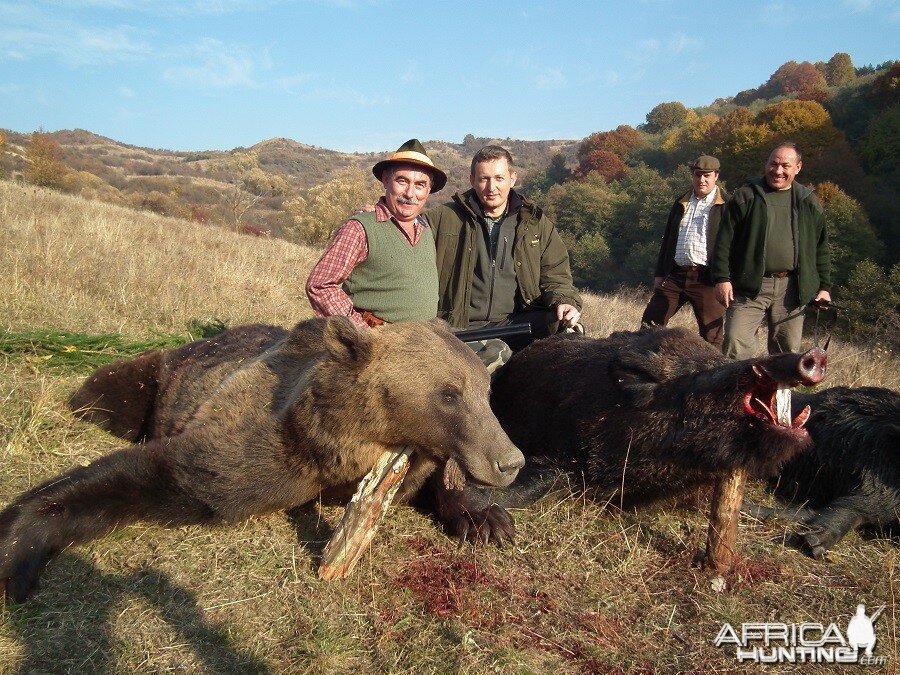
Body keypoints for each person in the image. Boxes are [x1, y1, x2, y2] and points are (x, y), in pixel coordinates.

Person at [426, 145, 582, 352]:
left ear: (512, 178)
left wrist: (565, 301)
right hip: (458, 329)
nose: (492, 188)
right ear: (472, 180)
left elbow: (556, 276)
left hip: (514, 325)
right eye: (484, 179)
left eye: (499, 178)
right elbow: (406, 241)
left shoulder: (536, 223)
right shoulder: (442, 218)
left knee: (567, 331)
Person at [305, 139, 447, 327]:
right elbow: (320, 285)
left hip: (423, 341)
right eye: (402, 181)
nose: (410, 193)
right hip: (380, 346)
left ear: (428, 190)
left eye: (420, 185)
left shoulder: (425, 229)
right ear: (386, 181)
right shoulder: (360, 228)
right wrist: (362, 332)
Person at [711, 142, 831, 359]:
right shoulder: (745, 196)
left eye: (785, 165)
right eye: (773, 164)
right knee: (736, 347)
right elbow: (723, 241)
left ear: (798, 167)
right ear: (765, 164)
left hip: (792, 289)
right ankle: (738, 393)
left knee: (787, 356)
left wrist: (825, 287)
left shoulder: (808, 202)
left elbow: (820, 249)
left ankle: (779, 395)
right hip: (748, 286)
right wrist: (722, 278)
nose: (778, 170)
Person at [640, 155, 728, 346]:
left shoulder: (726, 206)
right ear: (693, 176)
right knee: (650, 324)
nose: (702, 180)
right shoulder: (681, 202)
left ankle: (712, 373)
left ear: (716, 176)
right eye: (698, 175)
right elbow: (668, 240)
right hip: (676, 275)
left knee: (712, 336)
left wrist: (725, 279)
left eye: (707, 175)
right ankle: (644, 367)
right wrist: (660, 274)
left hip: (707, 279)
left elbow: (733, 245)